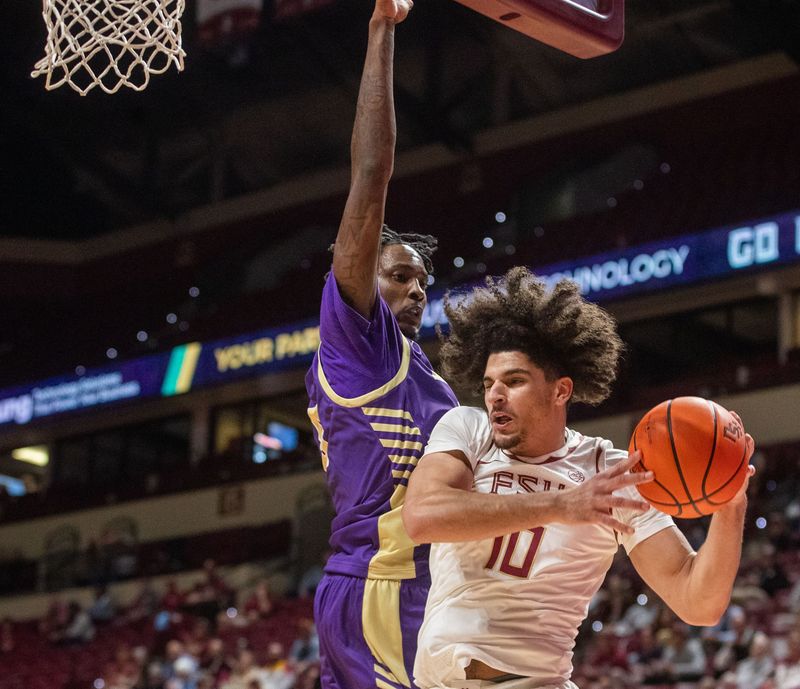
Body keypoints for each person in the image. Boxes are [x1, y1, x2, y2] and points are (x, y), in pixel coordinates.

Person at [402, 267, 755, 689]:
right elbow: (422, 516)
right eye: (489, 383)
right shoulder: (468, 430)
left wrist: (731, 503)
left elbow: (698, 603)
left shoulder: (612, 471)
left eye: (514, 381)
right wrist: (561, 505)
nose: (495, 394)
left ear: (561, 390)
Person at [304, 0, 458, 687]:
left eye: (422, 281)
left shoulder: (420, 371)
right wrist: (381, 32)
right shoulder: (355, 338)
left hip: (375, 584)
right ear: (359, 270)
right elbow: (371, 176)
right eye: (399, 275)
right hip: (387, 585)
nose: (415, 289)